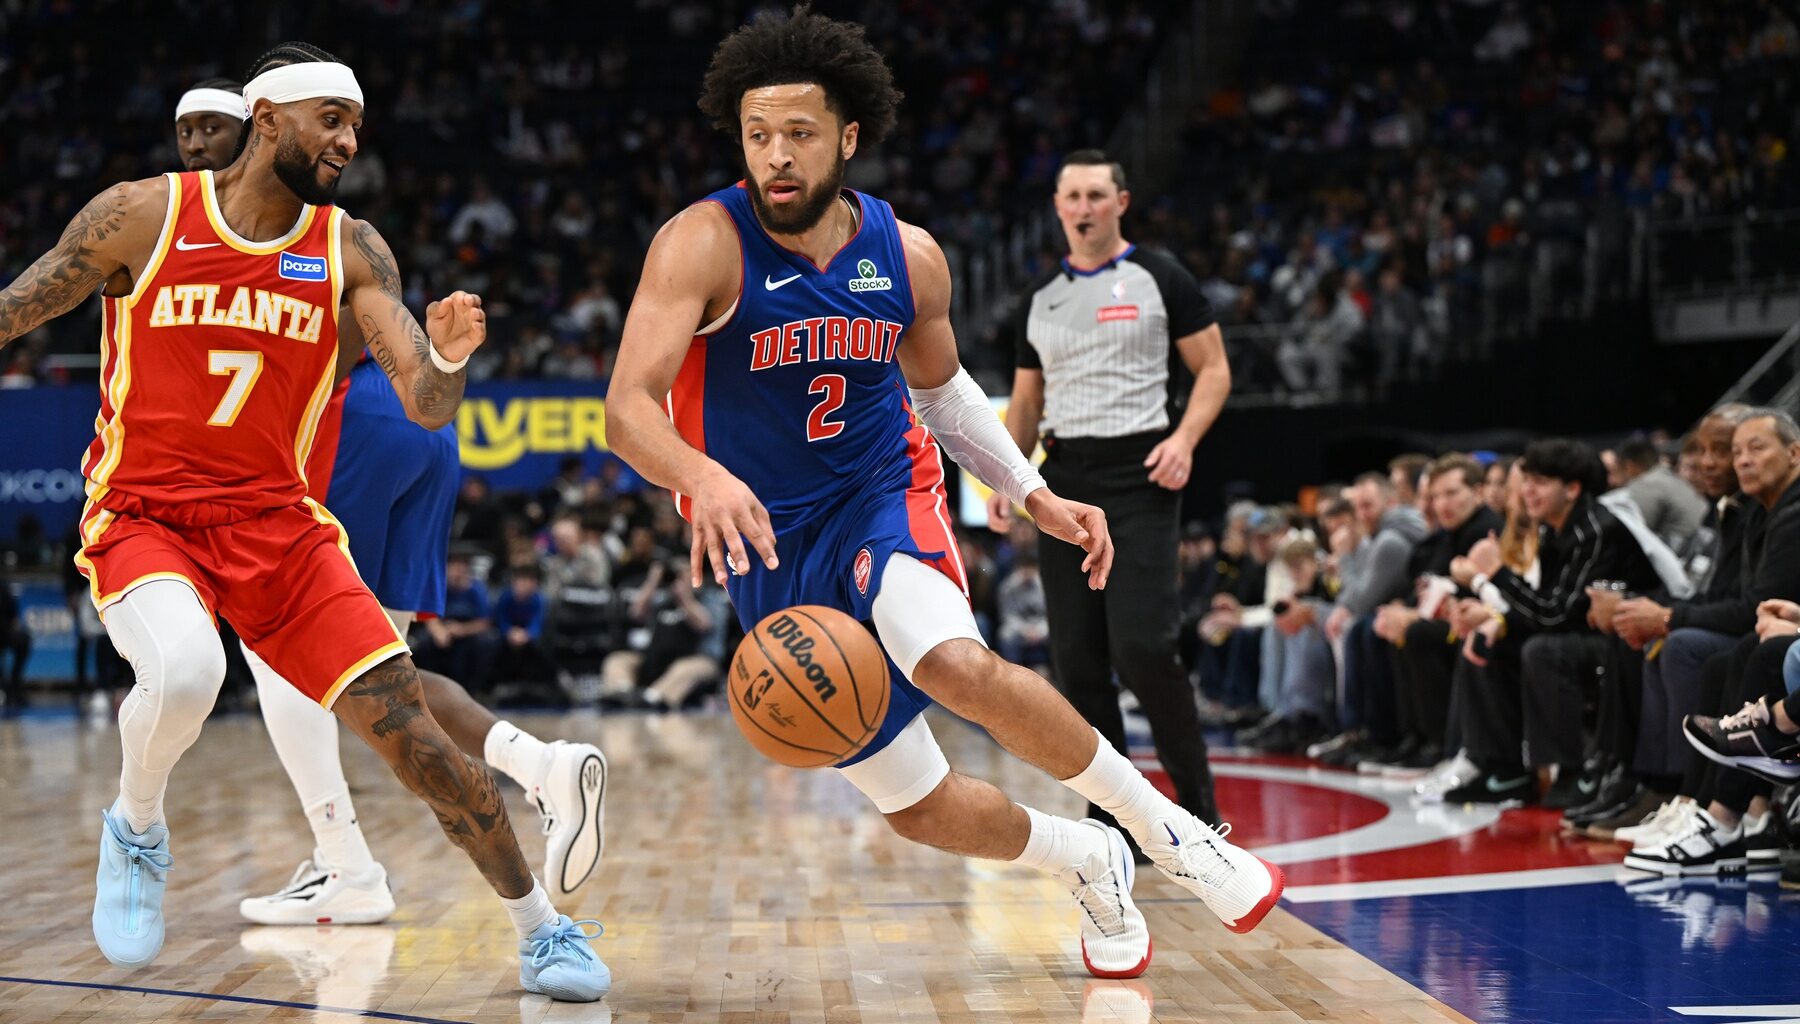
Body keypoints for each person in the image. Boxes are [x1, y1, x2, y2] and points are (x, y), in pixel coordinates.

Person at [606, 10, 1281, 982]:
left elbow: (943, 394)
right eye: (759, 136)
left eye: (799, 133)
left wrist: (1030, 487)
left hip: (881, 491)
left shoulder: (908, 254)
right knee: (912, 801)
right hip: (769, 542)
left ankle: (1170, 833)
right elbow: (627, 409)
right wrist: (699, 473)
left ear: (847, 135)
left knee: (952, 661)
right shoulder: (700, 244)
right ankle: (1087, 859)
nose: (777, 157)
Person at [0, 45, 606, 1001]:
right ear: (270, 118)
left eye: (355, 125)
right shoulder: (142, 214)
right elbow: (15, 309)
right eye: (332, 119)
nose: (349, 140)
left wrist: (446, 358)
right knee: (191, 671)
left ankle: (543, 929)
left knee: (411, 732)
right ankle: (138, 823)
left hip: (281, 526)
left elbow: (426, 403)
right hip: (147, 514)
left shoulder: (349, 247)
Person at [164, 74, 612, 930]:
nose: (194, 149)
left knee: (280, 648)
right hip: (413, 423)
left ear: (255, 130)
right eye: (185, 133)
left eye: (208, 131)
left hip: (342, 430)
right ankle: (541, 763)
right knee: (379, 662)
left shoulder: (229, 227)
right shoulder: (324, 225)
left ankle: (346, 866)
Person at [991, 148, 1230, 840]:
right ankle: (1115, 817)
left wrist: (1184, 439)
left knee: (1145, 647)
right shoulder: (1040, 301)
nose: (1085, 208)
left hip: (1141, 476)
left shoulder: (1160, 277)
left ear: (1120, 202)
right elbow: (1027, 402)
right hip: (1066, 481)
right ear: (1059, 207)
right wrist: (1010, 476)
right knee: (1079, 660)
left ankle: (1200, 809)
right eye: (1073, 196)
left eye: (1098, 194)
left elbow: (1213, 368)